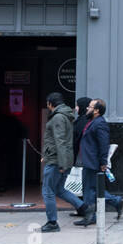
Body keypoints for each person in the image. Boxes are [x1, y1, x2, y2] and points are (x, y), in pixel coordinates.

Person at [75, 97, 123, 226]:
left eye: (90, 107)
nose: (87, 108)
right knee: (92, 190)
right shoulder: (92, 121)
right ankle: (115, 202)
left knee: (89, 191)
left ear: (96, 110)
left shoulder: (100, 123)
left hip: (93, 162)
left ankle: (91, 216)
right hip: (88, 160)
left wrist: (103, 163)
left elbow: (103, 144)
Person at [40, 92, 83, 233]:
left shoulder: (58, 117)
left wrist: (62, 165)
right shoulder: (64, 116)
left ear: (50, 104)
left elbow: (60, 141)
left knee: (48, 191)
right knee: (59, 189)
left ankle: (52, 222)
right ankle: (84, 208)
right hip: (57, 159)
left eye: (47, 104)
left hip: (56, 161)